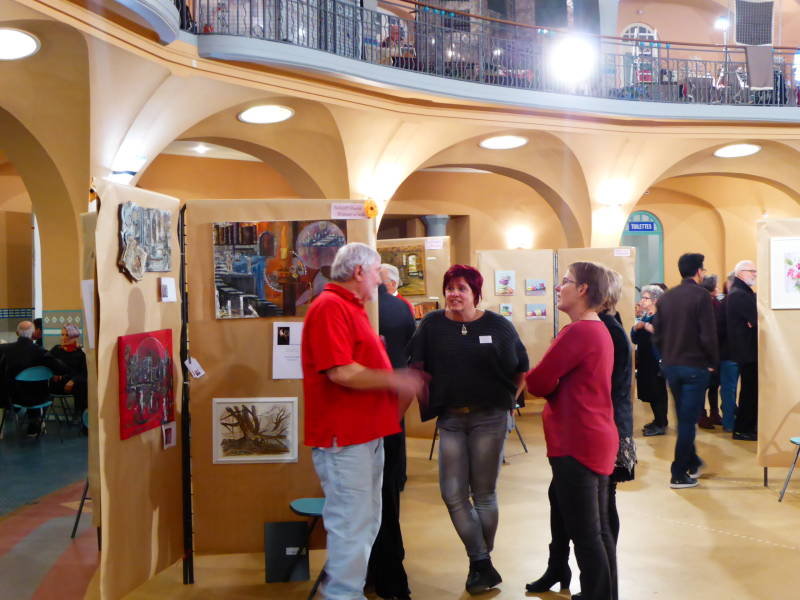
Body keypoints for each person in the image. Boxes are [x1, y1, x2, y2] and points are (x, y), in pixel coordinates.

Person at [301, 242, 424, 600]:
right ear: (358, 272)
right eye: (375, 272)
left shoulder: (351, 307)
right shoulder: (329, 306)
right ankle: (343, 595)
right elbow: (341, 371)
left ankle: (348, 591)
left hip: (366, 436)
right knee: (351, 527)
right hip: (346, 438)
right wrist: (395, 379)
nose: (379, 281)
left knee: (367, 523)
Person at [408, 264, 528, 595]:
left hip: (490, 418)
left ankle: (479, 563)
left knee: (484, 493)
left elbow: (521, 368)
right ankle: (482, 563)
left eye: (461, 288)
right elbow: (415, 364)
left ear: (476, 293)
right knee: (452, 493)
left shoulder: (498, 325)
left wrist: (509, 403)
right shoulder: (432, 324)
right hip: (450, 419)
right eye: (450, 288)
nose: (454, 294)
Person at [525, 262, 617, 600]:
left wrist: (553, 384)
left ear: (582, 289)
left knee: (587, 534)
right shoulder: (598, 330)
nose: (558, 287)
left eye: (565, 281)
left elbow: (537, 382)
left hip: (577, 441)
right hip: (594, 437)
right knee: (598, 530)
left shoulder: (578, 332)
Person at [365, 282, 417, 600]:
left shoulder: (364, 311)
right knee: (388, 494)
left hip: (372, 416)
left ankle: (381, 572)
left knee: (375, 499)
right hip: (392, 411)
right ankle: (391, 573)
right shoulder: (401, 308)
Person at [653, 253, 718, 489]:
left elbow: (657, 334)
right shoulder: (701, 296)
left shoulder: (666, 297)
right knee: (687, 423)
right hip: (694, 367)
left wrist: (665, 358)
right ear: (699, 271)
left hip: (672, 367)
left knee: (683, 418)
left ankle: (693, 461)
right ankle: (678, 473)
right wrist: (713, 361)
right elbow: (708, 333)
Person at [0, 321, 64, 435]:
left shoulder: (3, 349)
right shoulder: (40, 351)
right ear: (33, 333)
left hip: (10, 397)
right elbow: (61, 368)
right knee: (35, 386)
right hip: (38, 398)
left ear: (17, 333)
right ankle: (34, 424)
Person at [726, 260, 758, 441]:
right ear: (740, 272)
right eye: (751, 271)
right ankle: (743, 429)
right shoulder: (740, 294)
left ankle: (746, 427)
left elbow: (753, 321)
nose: (755, 274)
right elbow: (756, 319)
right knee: (749, 392)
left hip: (746, 349)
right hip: (747, 350)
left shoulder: (741, 292)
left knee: (749, 391)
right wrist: (752, 322)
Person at [632, 284, 668, 436]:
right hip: (646, 360)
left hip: (656, 361)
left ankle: (661, 423)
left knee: (658, 392)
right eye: (642, 298)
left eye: (645, 298)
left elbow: (663, 335)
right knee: (651, 393)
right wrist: (635, 328)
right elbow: (635, 338)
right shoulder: (646, 315)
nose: (642, 301)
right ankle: (658, 420)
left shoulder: (661, 317)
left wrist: (646, 326)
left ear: (655, 300)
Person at [49, 324, 88, 432]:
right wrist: (52, 373)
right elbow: (46, 362)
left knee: (83, 383)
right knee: (81, 384)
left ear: (74, 337)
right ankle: (80, 414)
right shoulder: (56, 350)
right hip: (58, 384)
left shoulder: (81, 353)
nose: (64, 338)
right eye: (62, 335)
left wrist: (73, 380)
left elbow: (83, 372)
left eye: (67, 335)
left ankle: (82, 417)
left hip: (74, 384)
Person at [698, 275, 722, 429]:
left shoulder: (713, 302)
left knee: (713, 385)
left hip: (713, 348)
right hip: (706, 350)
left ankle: (713, 413)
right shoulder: (707, 303)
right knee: (706, 385)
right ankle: (703, 415)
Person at [718, 272, 740, 432]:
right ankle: (734, 421)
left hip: (727, 353)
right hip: (740, 352)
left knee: (728, 389)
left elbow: (718, 330)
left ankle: (729, 422)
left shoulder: (724, 303)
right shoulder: (747, 300)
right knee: (732, 389)